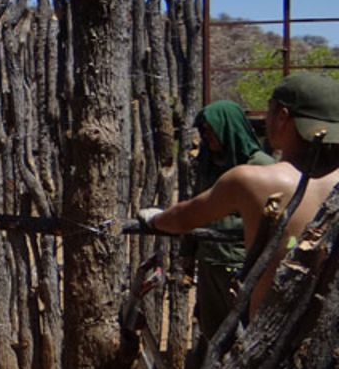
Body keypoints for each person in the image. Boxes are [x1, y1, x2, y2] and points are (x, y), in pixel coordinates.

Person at [141, 73, 339, 321]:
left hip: (271, 338)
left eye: (269, 111)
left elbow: (182, 218)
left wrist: (154, 219)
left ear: (283, 117)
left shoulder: (252, 180)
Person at [185, 100, 274, 341]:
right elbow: (195, 210)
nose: (207, 136)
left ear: (228, 127)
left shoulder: (261, 167)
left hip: (242, 262)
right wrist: (188, 253)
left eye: (211, 129)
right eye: (203, 130)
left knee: (244, 329)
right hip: (208, 262)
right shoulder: (206, 165)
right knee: (212, 330)